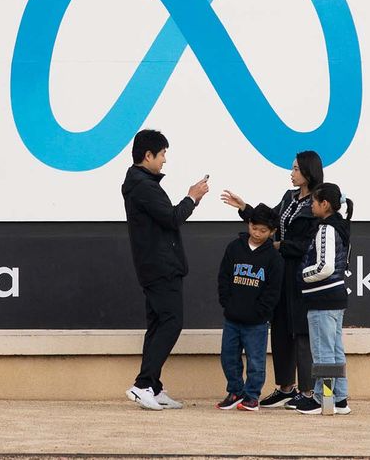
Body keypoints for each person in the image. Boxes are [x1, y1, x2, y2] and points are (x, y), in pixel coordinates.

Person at [219, 150, 323, 409]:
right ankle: (285, 387)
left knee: (300, 331)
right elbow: (269, 220)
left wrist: (279, 246)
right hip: (279, 271)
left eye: (297, 169)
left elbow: (308, 243)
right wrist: (245, 208)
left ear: (309, 172)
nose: (292, 173)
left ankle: (308, 391)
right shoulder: (289, 197)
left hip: (301, 273)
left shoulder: (318, 202)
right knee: (279, 329)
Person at [121, 129, 209, 410]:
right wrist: (192, 198)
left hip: (154, 266)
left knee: (158, 324)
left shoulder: (142, 183)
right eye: (162, 155)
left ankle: (153, 387)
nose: (164, 161)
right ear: (147, 155)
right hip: (160, 268)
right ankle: (143, 384)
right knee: (171, 323)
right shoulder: (143, 186)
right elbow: (172, 218)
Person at [215, 203, 283, 412]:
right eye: (254, 228)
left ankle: (252, 396)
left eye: (263, 231)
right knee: (228, 356)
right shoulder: (234, 247)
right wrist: (227, 301)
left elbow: (273, 290)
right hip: (232, 318)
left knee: (256, 360)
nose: (257, 234)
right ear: (249, 225)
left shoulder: (273, 258)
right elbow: (223, 276)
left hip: (257, 323)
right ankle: (235, 391)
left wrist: (261, 312)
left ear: (272, 232)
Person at [296, 182, 353, 415]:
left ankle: (323, 398)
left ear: (325, 204)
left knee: (323, 351)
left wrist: (302, 276)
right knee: (334, 349)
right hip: (335, 298)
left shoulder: (326, 229)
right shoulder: (342, 226)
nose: (311, 205)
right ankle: (339, 399)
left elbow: (325, 266)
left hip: (323, 298)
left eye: (314, 202)